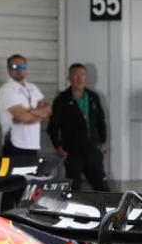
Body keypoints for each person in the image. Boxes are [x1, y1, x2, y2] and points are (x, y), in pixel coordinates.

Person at [47, 63, 110, 191]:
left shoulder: (93, 97)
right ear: (69, 78)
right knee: (74, 188)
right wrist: (58, 147)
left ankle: (107, 210)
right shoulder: (62, 99)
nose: (79, 78)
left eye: (82, 75)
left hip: (93, 151)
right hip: (72, 152)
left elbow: (101, 121)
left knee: (101, 187)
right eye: (75, 75)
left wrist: (103, 142)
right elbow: (52, 127)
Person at [0, 54, 51, 158]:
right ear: (8, 70)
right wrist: (40, 114)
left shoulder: (32, 88)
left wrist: (31, 112)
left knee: (30, 174)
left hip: (32, 144)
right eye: (15, 67)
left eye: (22, 67)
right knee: (16, 174)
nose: (19, 70)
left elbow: (48, 109)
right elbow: (24, 118)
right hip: (15, 145)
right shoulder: (7, 89)